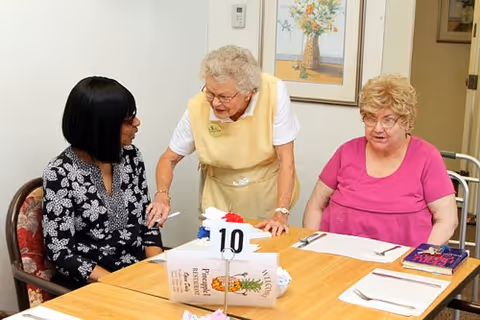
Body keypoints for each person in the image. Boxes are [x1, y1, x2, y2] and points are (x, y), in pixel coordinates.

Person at [147, 45, 300, 236]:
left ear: (249, 93)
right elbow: (168, 159)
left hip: (266, 196)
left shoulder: (273, 92)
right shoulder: (197, 106)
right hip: (218, 198)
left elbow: (286, 158)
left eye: (225, 97)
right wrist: (162, 195)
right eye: (210, 92)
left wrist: (281, 212)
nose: (215, 103)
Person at [303, 74, 458, 247]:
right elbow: (315, 205)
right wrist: (313, 247)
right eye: (370, 118)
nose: (377, 128)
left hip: (400, 265)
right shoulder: (346, 152)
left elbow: (447, 220)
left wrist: (420, 259)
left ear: (406, 121)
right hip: (337, 259)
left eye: (388, 120)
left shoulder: (426, 157)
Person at [42, 76, 163, 289]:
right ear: (101, 127)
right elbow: (61, 253)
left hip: (137, 276)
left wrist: (159, 268)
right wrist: (118, 283)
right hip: (90, 285)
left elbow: (148, 222)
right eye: (128, 120)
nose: (137, 123)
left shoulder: (131, 157)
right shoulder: (60, 173)